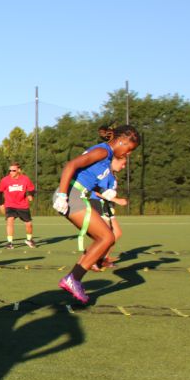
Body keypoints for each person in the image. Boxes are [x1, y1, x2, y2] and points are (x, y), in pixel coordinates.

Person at [51, 125, 141, 303]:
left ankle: (74, 278)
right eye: (129, 149)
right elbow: (71, 165)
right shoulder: (103, 151)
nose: (129, 153)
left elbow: (88, 177)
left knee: (104, 238)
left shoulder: (106, 159)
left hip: (77, 195)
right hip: (72, 195)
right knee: (107, 237)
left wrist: (103, 191)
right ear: (122, 141)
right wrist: (62, 195)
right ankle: (73, 278)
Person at [88, 155, 128, 270]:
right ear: (114, 161)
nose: (124, 166)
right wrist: (117, 200)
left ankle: (103, 258)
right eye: (122, 163)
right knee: (104, 235)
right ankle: (91, 259)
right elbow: (97, 192)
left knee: (117, 233)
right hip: (98, 202)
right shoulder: (106, 173)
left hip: (107, 204)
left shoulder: (113, 175)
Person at [0, 162, 36, 249]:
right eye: (10, 170)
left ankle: (29, 240)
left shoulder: (25, 179)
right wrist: (1, 204)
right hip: (10, 205)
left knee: (29, 224)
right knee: (10, 220)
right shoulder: (5, 180)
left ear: (19, 170)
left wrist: (31, 195)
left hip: (23, 205)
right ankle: (9, 243)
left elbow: (32, 189)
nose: (11, 172)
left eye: (13, 170)